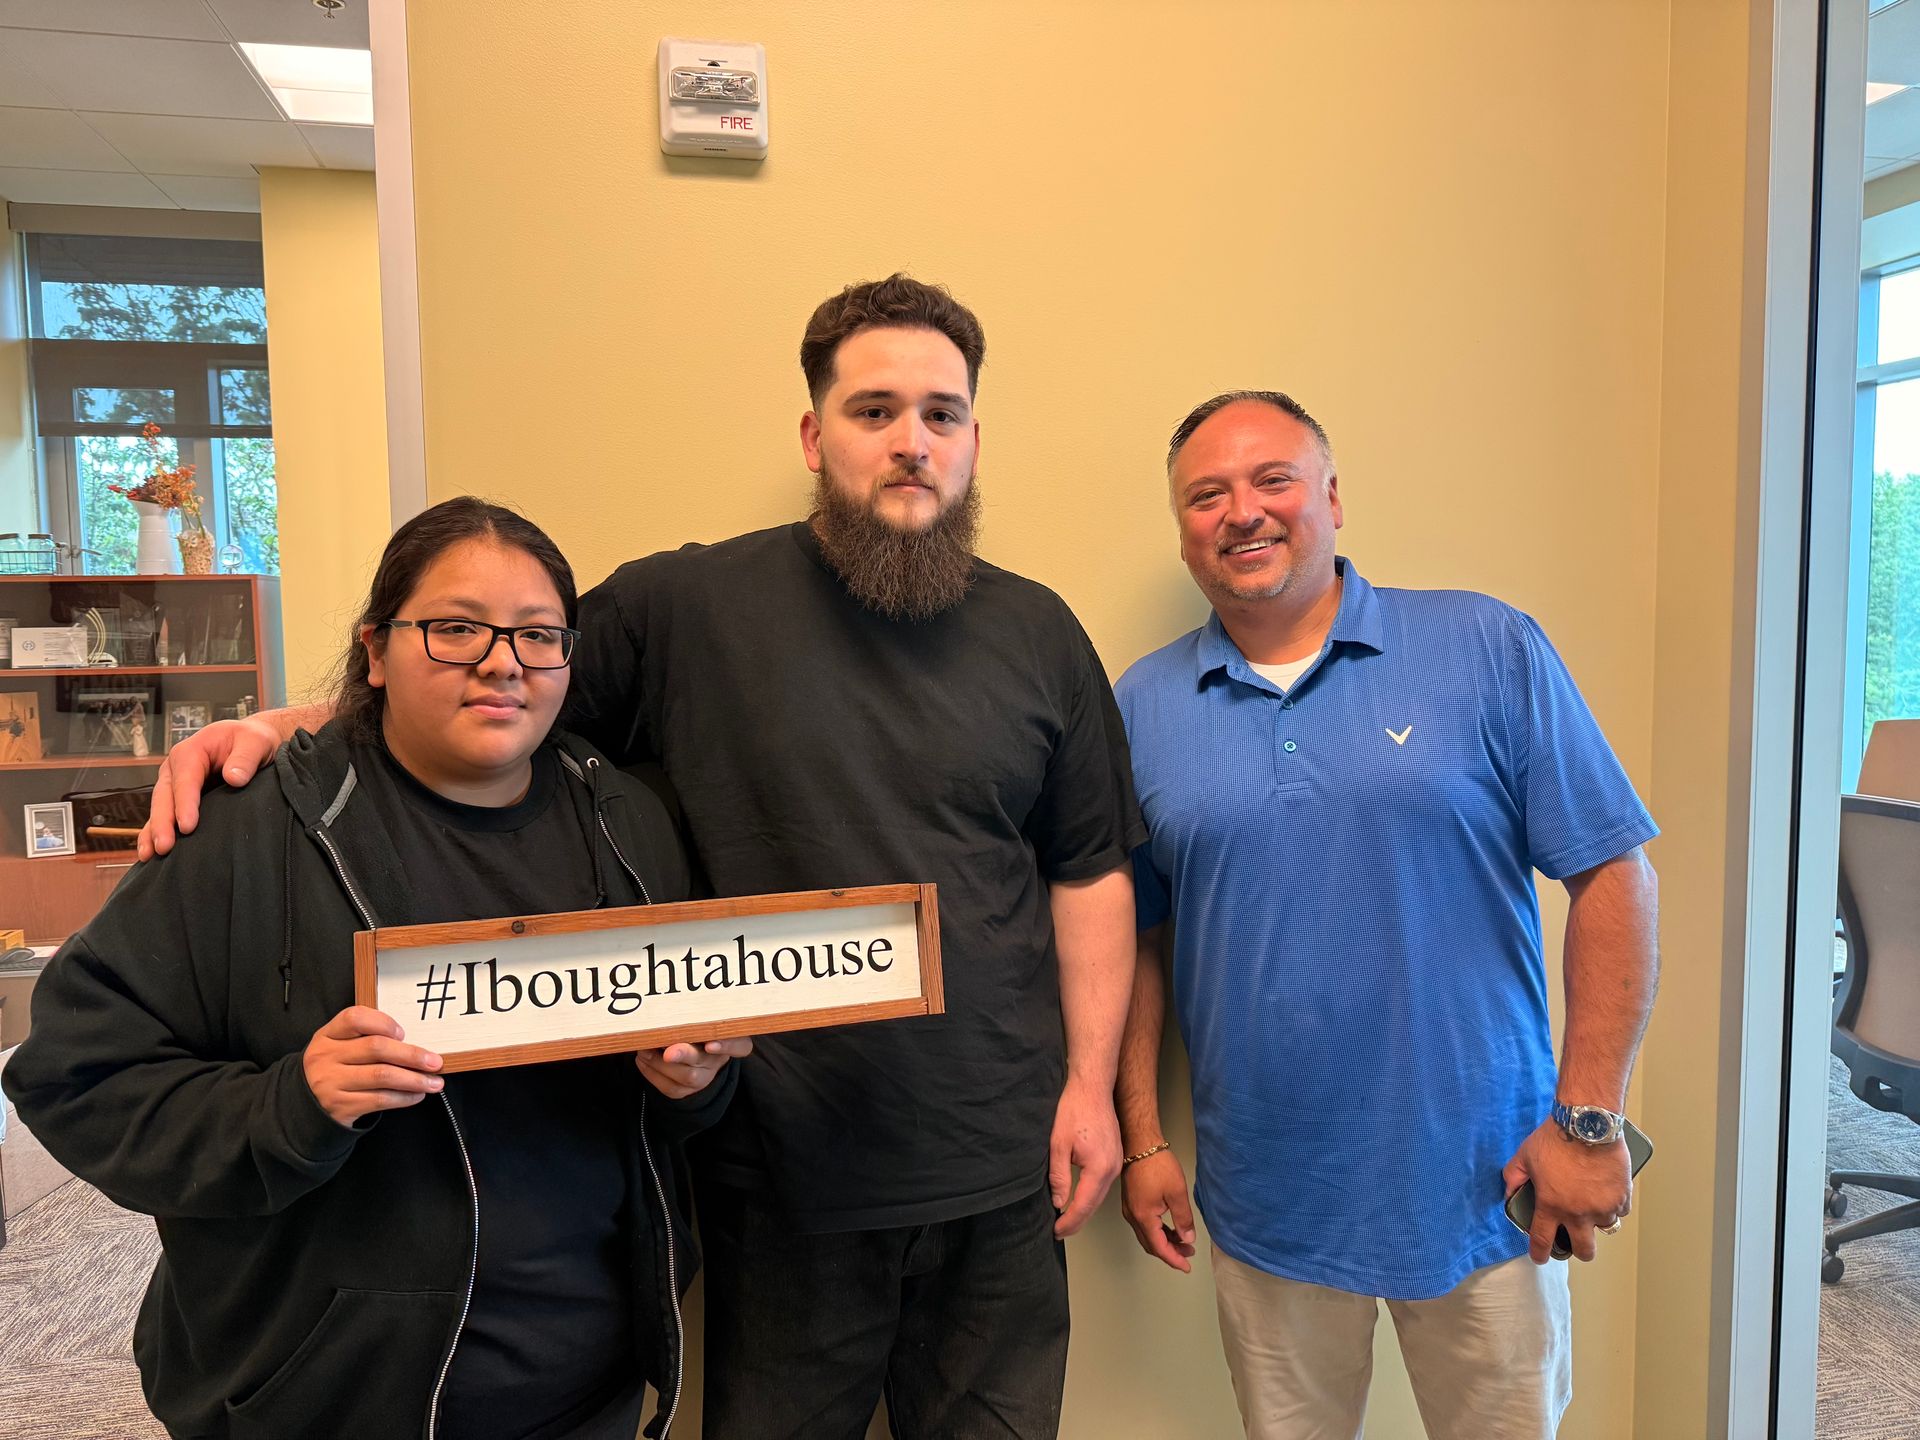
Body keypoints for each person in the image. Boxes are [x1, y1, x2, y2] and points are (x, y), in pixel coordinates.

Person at [141, 277, 1144, 1440]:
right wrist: (285, 728)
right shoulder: (688, 606)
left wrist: (1089, 1090)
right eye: (875, 412)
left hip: (1000, 1167)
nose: (912, 442)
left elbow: (1088, 870)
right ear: (816, 438)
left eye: (941, 414)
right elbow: (494, 679)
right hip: (776, 1171)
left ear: (973, 437)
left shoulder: (1040, 632)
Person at [7, 498, 749, 1440]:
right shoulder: (244, 830)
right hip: (326, 1395)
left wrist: (694, 1082)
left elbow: (672, 1089)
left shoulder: (630, 827)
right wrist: (292, 1106)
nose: (500, 661)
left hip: (585, 1384)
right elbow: (73, 1079)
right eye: (454, 629)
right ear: (374, 651)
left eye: (538, 635)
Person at [1112, 391, 1660, 1440]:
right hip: (1269, 1191)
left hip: (1487, 1183)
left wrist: (1590, 1119)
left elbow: (1611, 873)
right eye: (1206, 495)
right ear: (1184, 531)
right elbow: (1137, 938)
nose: (1242, 512)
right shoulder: (1142, 706)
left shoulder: (1483, 645)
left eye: (1273, 479)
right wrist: (1143, 1138)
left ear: (1331, 496)